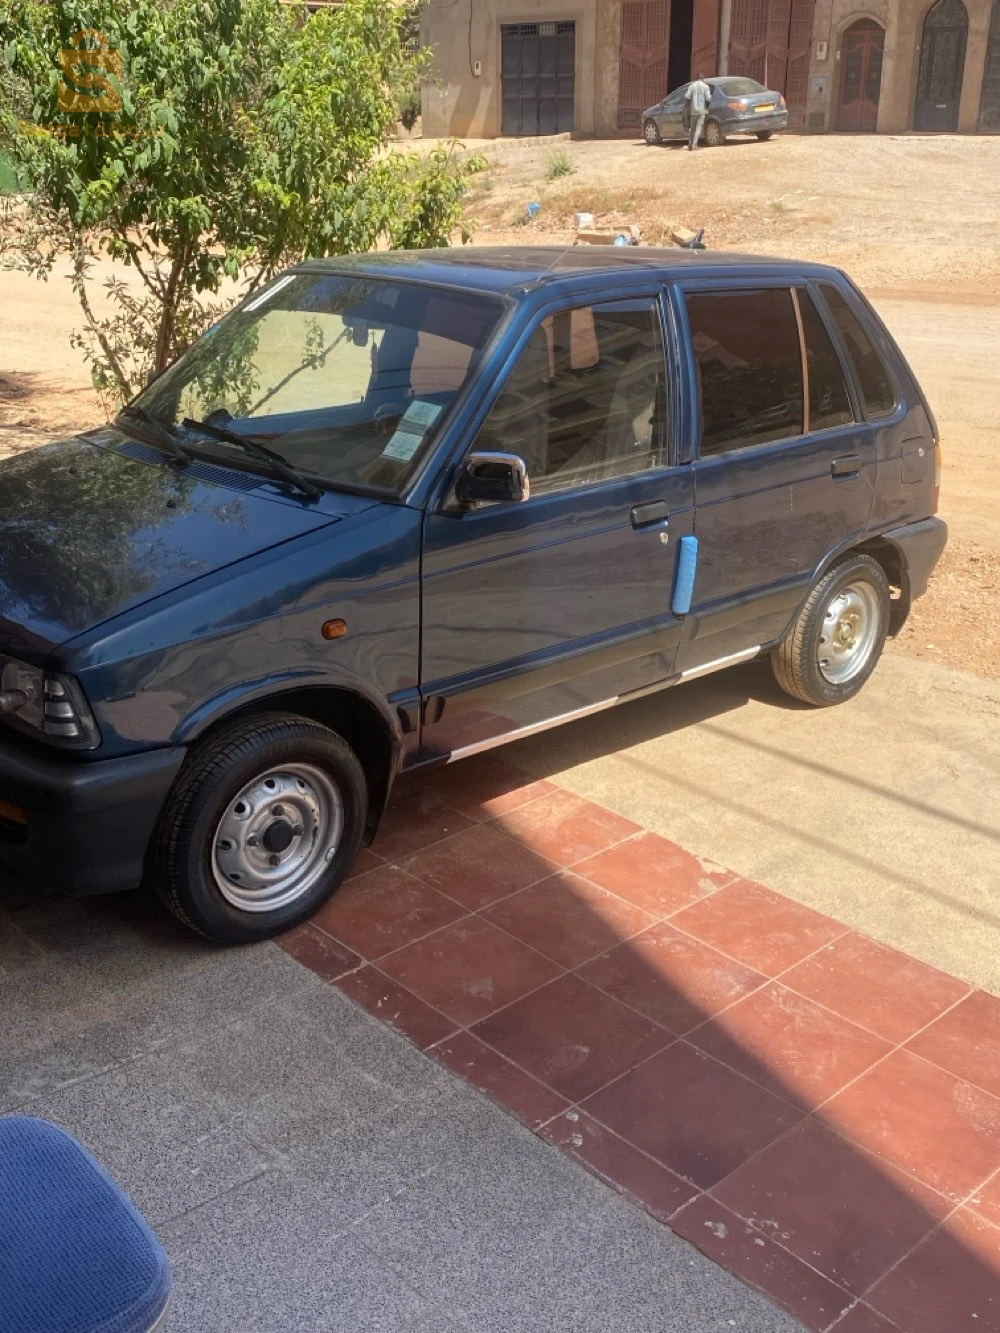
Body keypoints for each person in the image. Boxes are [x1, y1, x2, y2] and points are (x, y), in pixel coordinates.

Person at [684, 73, 713, 150]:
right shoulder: (705, 87)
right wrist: (710, 100)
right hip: (701, 110)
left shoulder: (692, 86)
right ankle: (694, 144)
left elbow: (687, 97)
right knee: (698, 128)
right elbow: (708, 99)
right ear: (703, 79)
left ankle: (690, 143)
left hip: (693, 110)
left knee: (692, 128)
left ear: (697, 79)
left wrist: (687, 107)